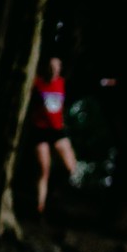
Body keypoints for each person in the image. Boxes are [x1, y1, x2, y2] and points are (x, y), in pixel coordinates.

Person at [29, 56, 78, 214]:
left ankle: (54, 192)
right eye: (51, 66)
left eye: (57, 67)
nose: (54, 70)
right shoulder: (37, 82)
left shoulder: (61, 83)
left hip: (57, 129)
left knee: (70, 166)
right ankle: (39, 206)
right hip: (40, 130)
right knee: (44, 169)